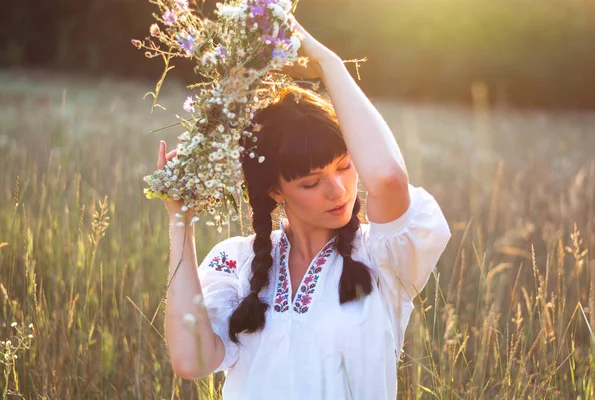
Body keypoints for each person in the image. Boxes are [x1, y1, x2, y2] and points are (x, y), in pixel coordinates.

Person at [156, 19, 451, 400]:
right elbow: (191, 362)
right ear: (276, 191)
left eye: (345, 166)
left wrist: (328, 63)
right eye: (312, 182)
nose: (338, 190)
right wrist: (180, 219)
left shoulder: (382, 256)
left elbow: (389, 179)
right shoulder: (239, 262)